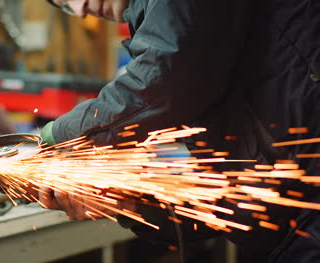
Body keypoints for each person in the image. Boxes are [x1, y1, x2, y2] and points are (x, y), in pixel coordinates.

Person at [38, 0, 320, 262]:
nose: (79, 8)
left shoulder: (177, 42)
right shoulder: (190, 45)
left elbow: (164, 77)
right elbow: (221, 173)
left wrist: (57, 137)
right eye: (62, 5)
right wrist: (134, 204)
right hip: (291, 221)